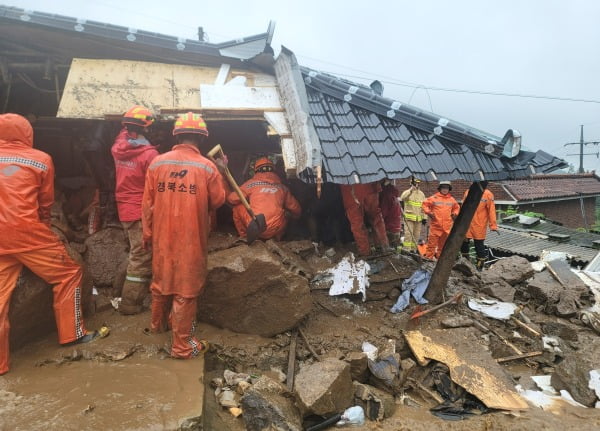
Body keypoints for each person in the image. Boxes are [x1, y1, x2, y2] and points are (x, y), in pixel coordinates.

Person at [0, 113, 98, 376]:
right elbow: (45, 203)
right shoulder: (40, 160)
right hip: (26, 231)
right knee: (68, 273)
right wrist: (44, 231)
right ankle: (72, 334)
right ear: (27, 133)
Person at [142, 112, 227, 359]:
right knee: (186, 291)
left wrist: (147, 233)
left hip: (161, 236)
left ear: (176, 135)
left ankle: (156, 328)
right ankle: (182, 346)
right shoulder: (207, 167)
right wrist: (222, 171)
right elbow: (219, 201)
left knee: (161, 283)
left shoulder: (157, 163)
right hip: (191, 238)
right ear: (201, 138)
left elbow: (147, 202)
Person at [111, 105, 159, 315]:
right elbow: (156, 188)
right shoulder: (149, 155)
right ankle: (129, 304)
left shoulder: (118, 145)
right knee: (140, 257)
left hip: (124, 207)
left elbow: (127, 133)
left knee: (135, 251)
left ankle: (116, 292)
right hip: (140, 209)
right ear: (146, 128)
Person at [228, 157, 301, 241]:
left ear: (256, 170)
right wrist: (295, 218)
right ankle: (278, 239)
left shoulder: (251, 184)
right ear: (274, 170)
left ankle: (244, 236)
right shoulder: (283, 188)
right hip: (275, 228)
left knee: (237, 207)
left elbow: (232, 199)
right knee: (286, 213)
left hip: (254, 226)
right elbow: (296, 209)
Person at [340, 182, 390, 256]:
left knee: (357, 224)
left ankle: (365, 252)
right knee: (376, 218)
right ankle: (383, 246)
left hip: (350, 192)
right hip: (369, 186)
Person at [460, 183, 498, 270]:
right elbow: (463, 207)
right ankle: (464, 262)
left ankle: (479, 267)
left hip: (479, 224)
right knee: (464, 243)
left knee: (479, 245)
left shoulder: (488, 194)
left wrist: (493, 225)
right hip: (467, 223)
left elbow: (491, 210)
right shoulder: (468, 192)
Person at [422, 181, 460, 259]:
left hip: (446, 228)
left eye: (446, 188)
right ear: (440, 188)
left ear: (449, 189)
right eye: (443, 188)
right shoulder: (434, 198)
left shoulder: (451, 200)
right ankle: (428, 260)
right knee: (431, 246)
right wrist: (429, 212)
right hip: (436, 226)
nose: (445, 190)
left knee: (442, 247)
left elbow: (457, 207)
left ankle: (439, 261)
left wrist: (454, 213)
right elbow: (424, 204)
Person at [399, 177, 426, 252]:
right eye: (415, 183)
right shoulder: (407, 192)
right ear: (411, 183)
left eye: (417, 183)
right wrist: (411, 190)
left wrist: (424, 217)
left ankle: (413, 251)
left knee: (416, 236)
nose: (416, 185)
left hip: (418, 219)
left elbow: (424, 206)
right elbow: (402, 198)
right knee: (408, 235)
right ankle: (407, 250)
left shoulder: (421, 194)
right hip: (409, 219)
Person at [379, 179, 403, 247]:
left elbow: (383, 214)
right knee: (396, 250)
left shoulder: (386, 197)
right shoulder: (395, 197)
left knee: (390, 251)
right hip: (396, 227)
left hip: (389, 228)